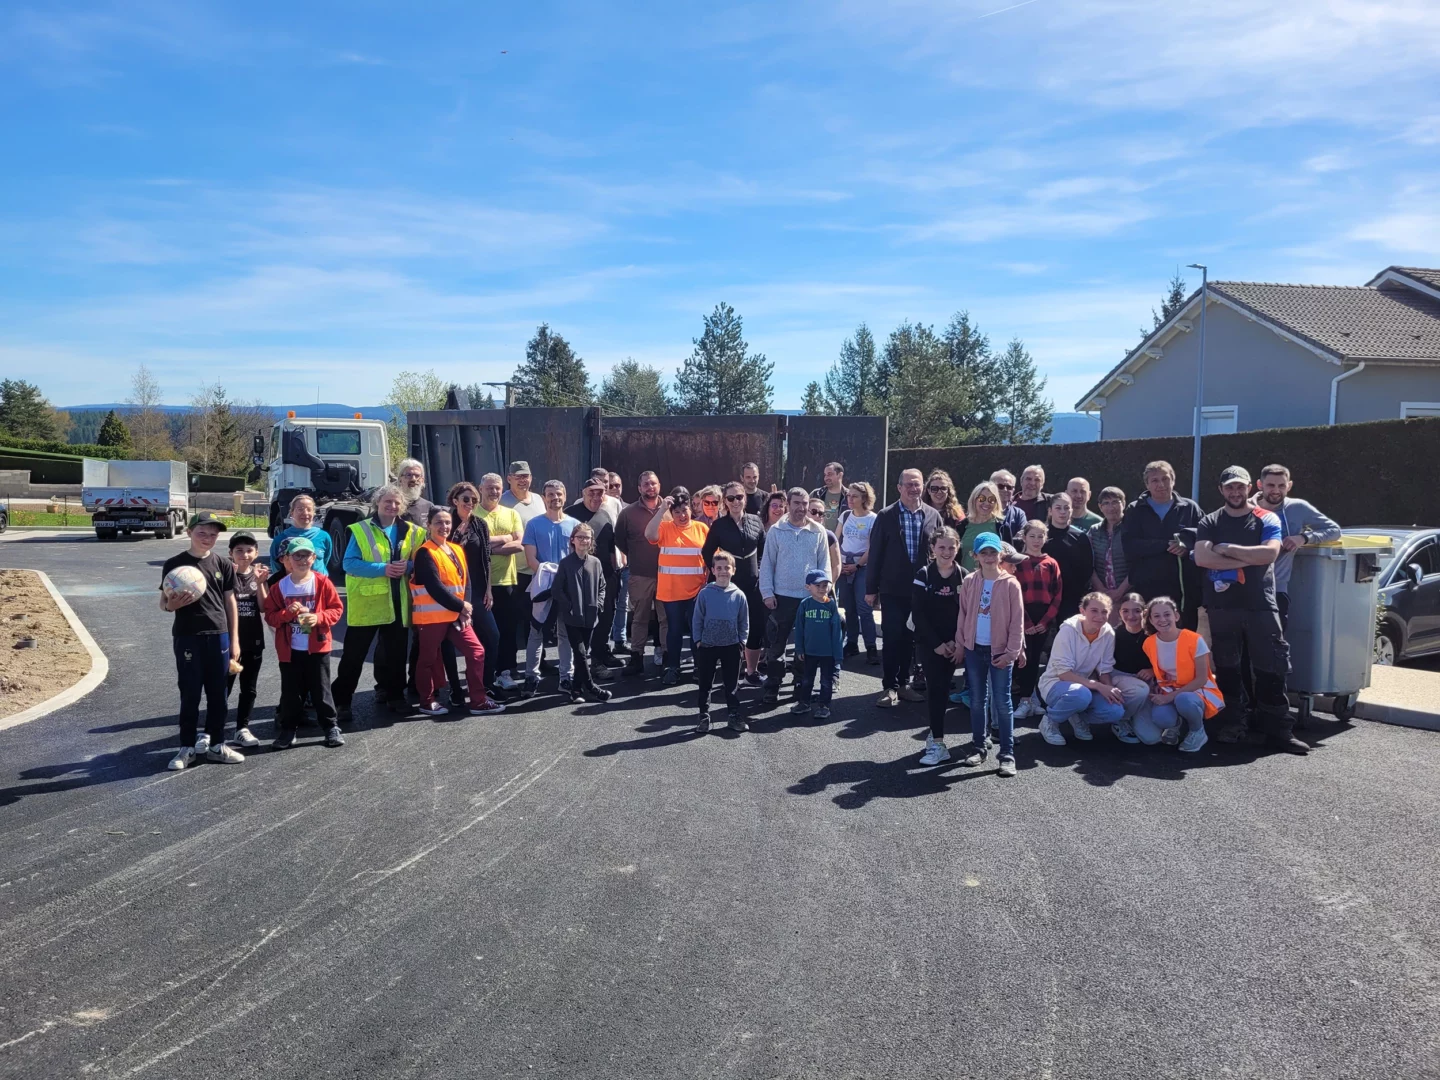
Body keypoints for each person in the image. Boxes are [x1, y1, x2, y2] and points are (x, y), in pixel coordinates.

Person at [1194, 466, 1307, 754]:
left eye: (1240, 487)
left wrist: (1227, 549)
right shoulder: (1209, 521)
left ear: (1248, 488)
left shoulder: (1265, 517)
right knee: (1229, 669)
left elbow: (1270, 553)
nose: (1235, 492)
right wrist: (1248, 559)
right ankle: (1234, 724)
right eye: (1229, 487)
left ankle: (1280, 731)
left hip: (1260, 605)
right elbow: (1203, 559)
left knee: (1272, 668)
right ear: (1221, 490)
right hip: (1222, 607)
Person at [332, 484, 425, 721]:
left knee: (396, 655)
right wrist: (383, 569)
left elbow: (423, 561)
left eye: (396, 503)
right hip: (368, 604)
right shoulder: (360, 529)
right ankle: (342, 701)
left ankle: (396, 697)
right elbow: (349, 564)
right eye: (387, 502)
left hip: (399, 603)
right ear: (377, 503)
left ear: (402, 506)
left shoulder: (414, 532)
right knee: (353, 656)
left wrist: (410, 566)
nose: (392, 506)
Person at [160, 512, 244, 770]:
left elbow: (230, 602)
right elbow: (164, 603)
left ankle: (218, 745)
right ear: (189, 532)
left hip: (218, 636)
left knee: (219, 694)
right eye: (202, 533)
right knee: (190, 693)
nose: (208, 538)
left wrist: (235, 638)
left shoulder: (223, 564)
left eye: (213, 534)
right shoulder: (174, 564)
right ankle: (186, 747)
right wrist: (171, 605)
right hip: (187, 636)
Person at [408, 509, 506, 717]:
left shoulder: (456, 549)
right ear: (429, 526)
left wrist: (465, 609)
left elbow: (466, 583)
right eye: (438, 523)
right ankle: (427, 701)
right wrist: (461, 607)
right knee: (427, 659)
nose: (443, 526)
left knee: (476, 652)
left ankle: (478, 700)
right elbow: (434, 587)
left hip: (455, 615)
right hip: (432, 617)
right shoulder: (425, 553)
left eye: (447, 522)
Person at [866, 469, 942, 708]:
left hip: (922, 591)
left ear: (923, 487)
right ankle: (889, 687)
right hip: (892, 589)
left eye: (917, 484)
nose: (913, 488)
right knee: (891, 638)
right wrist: (871, 589)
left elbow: (941, 554)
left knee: (911, 639)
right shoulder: (886, 515)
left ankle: (904, 684)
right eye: (908, 484)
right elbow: (875, 553)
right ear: (899, 488)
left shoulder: (932, 515)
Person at [261, 536, 346, 746]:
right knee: (291, 693)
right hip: (290, 650)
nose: (301, 559)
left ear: (314, 557)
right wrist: (286, 614)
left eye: (306, 555)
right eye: (296, 555)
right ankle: (289, 730)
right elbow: (270, 616)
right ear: (288, 558)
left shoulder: (322, 582)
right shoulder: (279, 587)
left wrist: (317, 617)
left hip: (317, 648)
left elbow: (336, 609)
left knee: (321, 690)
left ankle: (330, 727)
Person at [952, 533, 1023, 777]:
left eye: (993, 552)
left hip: (1000, 651)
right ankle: (978, 747)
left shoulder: (1011, 584)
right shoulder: (971, 581)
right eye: (984, 553)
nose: (989, 557)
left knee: (1003, 703)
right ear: (976, 556)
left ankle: (1007, 754)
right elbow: (963, 614)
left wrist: (1012, 653)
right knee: (977, 701)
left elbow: (1017, 623)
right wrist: (961, 644)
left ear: (1000, 555)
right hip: (975, 649)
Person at [759, 487, 830, 706]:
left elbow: (824, 564)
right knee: (776, 645)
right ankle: (773, 684)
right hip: (781, 598)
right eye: (796, 503)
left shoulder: (818, 532)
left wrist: (823, 591)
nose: (801, 508)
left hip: (809, 598)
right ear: (788, 504)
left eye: (805, 503)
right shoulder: (776, 531)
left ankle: (801, 684)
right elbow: (767, 564)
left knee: (806, 645)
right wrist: (767, 593)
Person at [1253, 464, 1341, 627]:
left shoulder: (1297, 508)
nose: (1276, 490)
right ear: (1260, 485)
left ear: (1289, 486)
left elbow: (1334, 530)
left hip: (1277, 589)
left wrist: (1303, 537)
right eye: (1270, 485)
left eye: (1281, 486)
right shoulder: (1245, 508)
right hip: (1244, 588)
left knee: (1274, 646)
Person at [1121, 460, 1204, 630]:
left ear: (1173, 480)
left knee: (1183, 641)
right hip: (1147, 587)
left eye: (1165, 479)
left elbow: (1203, 539)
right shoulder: (1135, 510)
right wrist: (1165, 545)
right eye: (1155, 480)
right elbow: (1130, 546)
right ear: (1147, 484)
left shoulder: (1190, 508)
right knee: (1148, 640)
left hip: (1182, 592)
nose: (1161, 485)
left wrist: (1186, 547)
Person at [1037, 592, 1128, 745]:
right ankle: (1049, 721)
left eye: (1104, 611)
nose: (1100, 616)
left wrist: (1110, 690)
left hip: (1085, 687)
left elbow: (1104, 669)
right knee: (1080, 695)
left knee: (1116, 710)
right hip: (1055, 684)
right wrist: (1099, 686)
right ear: (1082, 611)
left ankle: (1076, 716)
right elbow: (1064, 674)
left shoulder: (1108, 633)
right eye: (1094, 611)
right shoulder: (1067, 631)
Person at [702, 481, 766, 683]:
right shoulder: (719, 525)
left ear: (745, 498)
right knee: (729, 627)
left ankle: (751, 672)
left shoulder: (756, 521)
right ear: (725, 502)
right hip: (729, 587)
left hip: (753, 584)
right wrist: (718, 573)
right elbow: (706, 552)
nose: (736, 501)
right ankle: (731, 671)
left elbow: (764, 549)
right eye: (731, 498)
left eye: (739, 497)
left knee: (754, 627)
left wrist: (761, 570)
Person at [912, 527, 966, 764]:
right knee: (936, 690)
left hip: (956, 643)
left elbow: (966, 613)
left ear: (958, 548)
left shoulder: (964, 576)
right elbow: (918, 614)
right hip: (931, 644)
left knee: (948, 690)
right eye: (941, 547)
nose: (946, 551)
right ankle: (938, 742)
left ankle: (940, 737)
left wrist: (957, 641)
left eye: (951, 547)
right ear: (932, 548)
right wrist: (936, 644)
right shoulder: (923, 574)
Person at [645, 486, 709, 686]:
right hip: (672, 591)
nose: (682, 515)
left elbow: (711, 557)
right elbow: (650, 534)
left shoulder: (702, 529)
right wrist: (662, 509)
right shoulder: (665, 528)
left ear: (691, 509)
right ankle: (673, 667)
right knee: (674, 631)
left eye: (685, 510)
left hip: (696, 591)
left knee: (696, 629)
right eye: (677, 512)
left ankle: (699, 667)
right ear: (671, 514)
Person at [1138, 595, 1219, 752]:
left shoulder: (1195, 640)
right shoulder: (1149, 643)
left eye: (1167, 614)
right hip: (1169, 689)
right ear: (1151, 620)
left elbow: (1202, 679)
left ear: (1176, 615)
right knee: (1161, 718)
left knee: (1184, 700)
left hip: (1197, 690)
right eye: (1156, 616)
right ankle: (1176, 726)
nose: (1162, 619)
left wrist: (1169, 697)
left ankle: (1198, 731)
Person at [521, 480, 579, 695]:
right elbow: (531, 559)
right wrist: (550, 578)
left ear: (565, 496)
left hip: (567, 588)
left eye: (559, 494)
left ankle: (566, 678)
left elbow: (579, 557)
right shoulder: (534, 525)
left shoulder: (574, 525)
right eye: (550, 494)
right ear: (544, 498)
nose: (555, 498)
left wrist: (564, 582)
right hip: (543, 586)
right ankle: (531, 677)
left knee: (565, 633)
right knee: (535, 632)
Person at [447, 481, 500, 703]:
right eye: (466, 499)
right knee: (448, 642)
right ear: (455, 500)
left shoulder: (480, 524)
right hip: (452, 593)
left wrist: (488, 589)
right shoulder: (446, 523)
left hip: (478, 591)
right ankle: (455, 690)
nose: (470, 503)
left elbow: (486, 557)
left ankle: (486, 683)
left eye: (474, 500)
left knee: (492, 636)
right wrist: (457, 532)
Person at [475, 473, 526, 691]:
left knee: (507, 629)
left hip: (507, 581)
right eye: (489, 488)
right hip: (479, 582)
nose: (494, 492)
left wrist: (485, 546)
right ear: (480, 488)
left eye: (497, 488)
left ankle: (505, 671)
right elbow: (471, 544)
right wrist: (505, 539)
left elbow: (520, 544)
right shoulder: (473, 514)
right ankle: (482, 674)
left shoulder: (511, 513)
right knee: (483, 632)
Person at [567, 478, 623, 674]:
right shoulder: (571, 515)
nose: (596, 496)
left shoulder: (606, 515)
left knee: (606, 617)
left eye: (600, 493)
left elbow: (610, 548)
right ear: (583, 493)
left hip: (606, 576)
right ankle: (583, 665)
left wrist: (615, 573)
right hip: (580, 576)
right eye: (591, 492)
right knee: (584, 621)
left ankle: (599, 656)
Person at [552, 522, 612, 704]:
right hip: (572, 618)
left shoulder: (595, 563)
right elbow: (556, 590)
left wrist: (599, 604)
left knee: (583, 653)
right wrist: (568, 606)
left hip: (591, 617)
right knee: (579, 654)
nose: (584, 541)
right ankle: (592, 687)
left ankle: (576, 690)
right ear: (572, 540)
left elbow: (602, 586)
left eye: (587, 537)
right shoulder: (565, 563)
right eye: (580, 537)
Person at [615, 471, 668, 676]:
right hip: (640, 573)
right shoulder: (628, 513)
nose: (650, 487)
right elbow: (620, 540)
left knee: (665, 618)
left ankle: (665, 656)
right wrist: (636, 556)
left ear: (659, 485)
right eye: (645, 484)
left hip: (666, 574)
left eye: (653, 483)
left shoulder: (670, 510)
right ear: (639, 488)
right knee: (639, 617)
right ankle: (636, 657)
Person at [691, 549, 749, 732]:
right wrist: (698, 640)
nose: (723, 571)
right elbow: (697, 618)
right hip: (708, 645)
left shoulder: (739, 595)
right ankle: (703, 716)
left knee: (731, 685)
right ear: (713, 570)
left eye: (727, 568)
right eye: (719, 568)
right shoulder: (705, 593)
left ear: (733, 570)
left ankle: (733, 716)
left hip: (731, 646)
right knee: (705, 684)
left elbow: (743, 621)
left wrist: (742, 641)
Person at [1012, 521, 1062, 718]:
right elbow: (1013, 596)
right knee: (1023, 659)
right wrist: (1026, 622)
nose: (1036, 540)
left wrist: (1044, 621)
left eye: (1040, 536)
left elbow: (1057, 594)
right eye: (1032, 536)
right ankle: (1024, 700)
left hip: (1043, 619)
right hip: (1023, 617)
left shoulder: (1051, 563)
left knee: (1034, 660)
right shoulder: (1018, 562)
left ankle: (1031, 699)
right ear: (1024, 537)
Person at [225, 531, 269, 748]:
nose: (244, 554)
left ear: (256, 552)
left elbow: (263, 608)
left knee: (249, 688)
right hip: (228, 645)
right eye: (239, 550)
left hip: (253, 641)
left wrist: (261, 583)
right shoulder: (225, 574)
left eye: (249, 550)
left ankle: (242, 728)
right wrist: (226, 578)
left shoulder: (258, 575)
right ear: (230, 553)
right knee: (223, 687)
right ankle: (211, 730)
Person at [791, 569, 843, 720]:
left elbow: (837, 632)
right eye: (818, 585)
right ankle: (804, 703)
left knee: (826, 681)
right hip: (809, 651)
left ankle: (824, 706)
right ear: (808, 587)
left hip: (828, 652)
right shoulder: (805, 605)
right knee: (807, 679)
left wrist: (838, 654)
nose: (822, 588)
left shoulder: (831, 605)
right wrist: (799, 648)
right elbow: (799, 628)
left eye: (825, 585)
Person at [836, 481, 879, 664]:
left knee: (864, 608)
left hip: (863, 566)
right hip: (844, 566)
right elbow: (835, 539)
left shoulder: (872, 519)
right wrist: (840, 563)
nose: (850, 499)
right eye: (849, 496)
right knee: (849, 608)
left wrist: (858, 565)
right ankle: (852, 643)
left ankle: (871, 647)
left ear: (864, 498)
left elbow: (872, 547)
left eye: (854, 496)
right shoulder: (845, 516)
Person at [1043, 492, 1095, 625]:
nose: (1062, 512)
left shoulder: (1080, 537)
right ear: (1050, 511)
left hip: (1071, 599)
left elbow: (1087, 569)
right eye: (1058, 508)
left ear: (1071, 511)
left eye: (1066, 508)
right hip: (1044, 598)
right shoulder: (1040, 536)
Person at [1108, 592, 1151, 743]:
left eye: (1137, 611)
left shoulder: (1153, 634)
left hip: (1147, 681)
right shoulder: (1112, 634)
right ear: (1119, 612)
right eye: (1125, 611)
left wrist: (1152, 671)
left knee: (1151, 738)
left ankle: (1136, 714)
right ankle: (1121, 719)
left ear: (1144, 611)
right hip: (1121, 678)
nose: (1131, 616)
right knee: (1140, 691)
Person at [1088, 486, 1130, 622]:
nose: (1111, 507)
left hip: (1128, 595)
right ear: (1100, 507)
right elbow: (1088, 563)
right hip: (1101, 595)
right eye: (1106, 503)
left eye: (1115, 502)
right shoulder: (1094, 531)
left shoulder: (1133, 529)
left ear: (1123, 504)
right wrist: (1101, 589)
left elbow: (1139, 564)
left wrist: (1119, 591)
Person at [268, 494, 334, 577]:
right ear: (292, 513)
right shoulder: (280, 539)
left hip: (319, 587)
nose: (305, 513)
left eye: (309, 510)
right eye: (300, 509)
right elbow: (276, 567)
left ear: (314, 513)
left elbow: (325, 560)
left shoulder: (324, 536)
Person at [606, 471, 631, 654]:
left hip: (625, 564)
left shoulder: (628, 508)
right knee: (606, 605)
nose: (614, 488)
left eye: (617, 485)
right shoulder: (598, 505)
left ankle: (620, 640)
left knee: (623, 603)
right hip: (607, 564)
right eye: (611, 485)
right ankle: (603, 643)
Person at [959, 481, 1005, 571]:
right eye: (981, 499)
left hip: (994, 581)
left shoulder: (1002, 527)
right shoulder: (962, 526)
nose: (986, 503)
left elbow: (1008, 559)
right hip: (966, 581)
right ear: (974, 500)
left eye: (991, 499)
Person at [807, 497, 843, 582]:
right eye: (814, 512)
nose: (817, 516)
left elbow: (837, 564)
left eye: (821, 513)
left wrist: (829, 584)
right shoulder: (797, 533)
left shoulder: (829, 536)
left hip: (822, 585)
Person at [396, 458, 438, 529]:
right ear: (400, 479)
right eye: (409, 475)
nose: (413, 479)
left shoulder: (428, 507)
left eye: (417, 475)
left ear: (422, 480)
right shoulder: (392, 505)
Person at [924, 469, 967, 534]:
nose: (939, 492)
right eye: (934, 489)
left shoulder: (957, 514)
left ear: (948, 491)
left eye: (943, 488)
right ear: (929, 491)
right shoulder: (922, 512)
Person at [991, 469, 1028, 543]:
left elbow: (1023, 536)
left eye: (1009, 487)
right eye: (1000, 486)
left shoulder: (1019, 514)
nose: (1005, 490)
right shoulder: (983, 510)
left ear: (1013, 490)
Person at [811, 461, 846, 530]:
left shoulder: (849, 496)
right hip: (818, 537)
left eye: (829, 474)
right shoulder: (816, 494)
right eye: (825, 475)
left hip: (840, 539)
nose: (826, 478)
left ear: (840, 475)